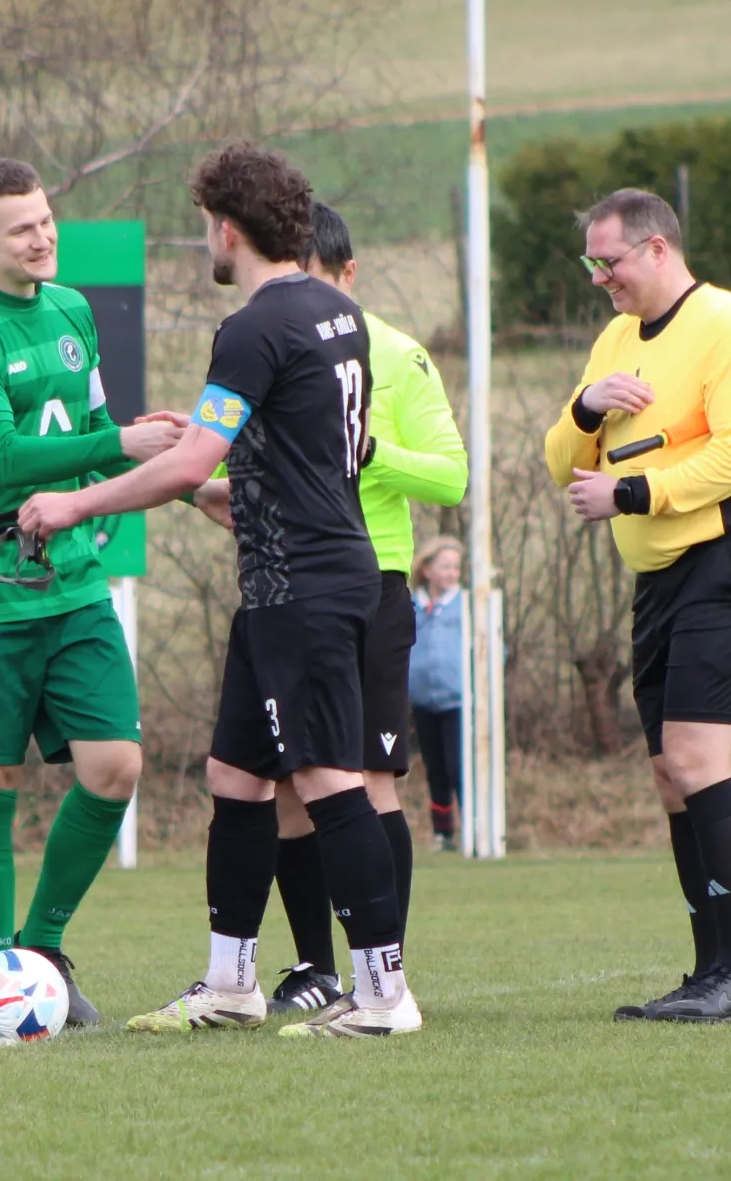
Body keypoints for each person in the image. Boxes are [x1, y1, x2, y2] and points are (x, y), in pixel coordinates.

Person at [19, 142, 421, 1038]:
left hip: (302, 586)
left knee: (329, 778)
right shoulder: (337, 312)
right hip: (306, 574)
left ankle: (384, 996)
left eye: (207, 223)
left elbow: (191, 458)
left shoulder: (253, 326)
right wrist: (218, 482)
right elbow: (295, 454)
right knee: (235, 777)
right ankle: (230, 983)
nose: (207, 238)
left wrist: (74, 502)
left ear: (229, 229)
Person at [0, 158, 183, 1026]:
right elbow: (1, 454)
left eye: (46, 220)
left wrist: (181, 476)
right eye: (21, 227)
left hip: (70, 583)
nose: (42, 237)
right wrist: (126, 443)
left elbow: (96, 433)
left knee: (115, 768)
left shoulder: (71, 309)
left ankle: (41, 952)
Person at [544, 188, 731, 1024]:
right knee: (669, 777)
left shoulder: (728, 326)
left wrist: (631, 492)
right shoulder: (616, 339)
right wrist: (586, 409)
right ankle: (709, 972)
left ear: (657, 249)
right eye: (590, 263)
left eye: (608, 261)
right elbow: (561, 462)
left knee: (695, 762)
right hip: (659, 580)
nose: (598, 278)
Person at [261, 203, 468, 1013]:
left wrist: (371, 452)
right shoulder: (267, 341)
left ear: (348, 275)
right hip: (288, 585)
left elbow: (450, 477)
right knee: (291, 784)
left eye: (316, 280)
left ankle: (382, 975)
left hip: (374, 584)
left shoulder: (396, 354)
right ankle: (314, 970)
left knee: (372, 778)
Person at [408, 536, 466, 853]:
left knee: (458, 767)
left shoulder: (465, 605)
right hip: (422, 702)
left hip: (458, 702)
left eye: (456, 567)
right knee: (435, 770)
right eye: (445, 566)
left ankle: (473, 827)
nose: (451, 573)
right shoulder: (412, 605)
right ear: (427, 570)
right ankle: (443, 834)